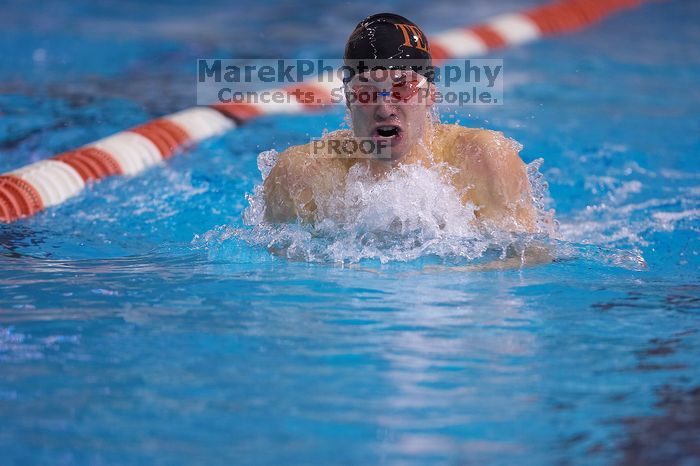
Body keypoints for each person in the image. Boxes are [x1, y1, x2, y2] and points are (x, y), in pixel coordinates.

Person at [263, 13, 537, 233]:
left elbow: (525, 262)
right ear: (348, 100)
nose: (384, 108)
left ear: (430, 95)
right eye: (365, 91)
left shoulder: (483, 159)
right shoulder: (300, 175)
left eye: (402, 87)